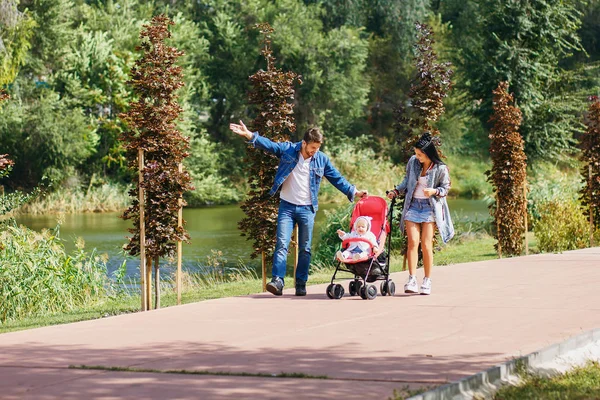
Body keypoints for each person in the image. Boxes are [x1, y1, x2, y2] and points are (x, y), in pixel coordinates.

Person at [229, 120, 368, 296]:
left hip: (307, 209)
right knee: (281, 244)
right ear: (304, 143)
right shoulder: (288, 150)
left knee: (305, 248)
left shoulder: (321, 159)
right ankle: (277, 281)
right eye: (312, 148)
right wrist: (249, 135)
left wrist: (355, 192)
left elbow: (337, 178)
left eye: (317, 148)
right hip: (286, 206)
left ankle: (301, 283)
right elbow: (270, 146)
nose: (314, 151)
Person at [387, 132, 454, 295]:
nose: (417, 157)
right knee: (412, 242)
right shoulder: (413, 162)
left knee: (426, 244)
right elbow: (406, 181)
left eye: (420, 154)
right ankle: (411, 279)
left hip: (430, 207)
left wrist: (434, 191)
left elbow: (446, 188)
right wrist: (396, 191)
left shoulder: (440, 168)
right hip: (412, 206)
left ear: (429, 153)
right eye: (416, 154)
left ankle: (427, 280)